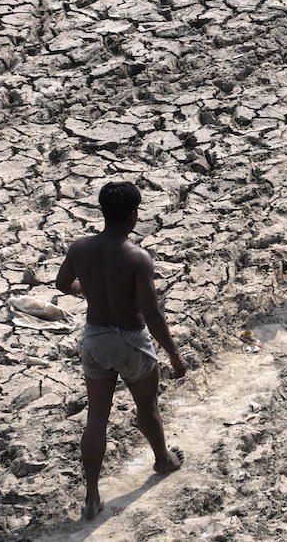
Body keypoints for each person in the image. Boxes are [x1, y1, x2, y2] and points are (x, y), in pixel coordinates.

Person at [54, 181, 187, 521]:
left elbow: (62, 284)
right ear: (132, 215)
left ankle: (92, 496)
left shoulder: (80, 248)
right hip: (130, 339)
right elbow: (152, 314)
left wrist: (90, 290)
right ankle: (162, 459)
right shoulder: (136, 257)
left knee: (96, 418)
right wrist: (173, 352)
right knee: (146, 405)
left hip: (95, 338)